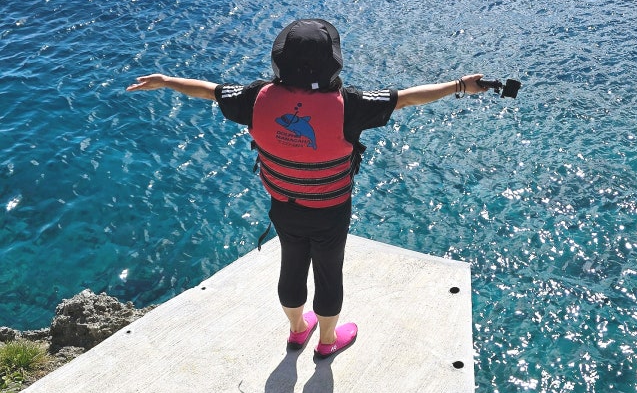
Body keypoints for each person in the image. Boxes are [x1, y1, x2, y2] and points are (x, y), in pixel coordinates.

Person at [128, 18, 487, 359]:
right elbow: (406, 97)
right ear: (332, 64)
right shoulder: (352, 105)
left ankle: (298, 329)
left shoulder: (254, 98)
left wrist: (166, 80)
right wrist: (459, 86)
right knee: (329, 274)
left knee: (292, 265)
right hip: (330, 211)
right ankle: (327, 342)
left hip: (283, 205)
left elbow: (210, 91)